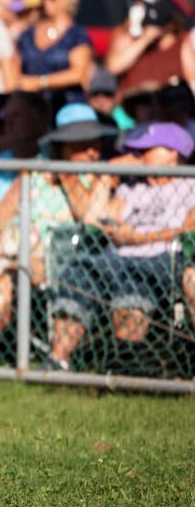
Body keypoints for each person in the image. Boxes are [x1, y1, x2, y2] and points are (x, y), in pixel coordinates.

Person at [0, 104, 118, 363]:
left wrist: (66, 175)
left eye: (95, 142)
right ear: (62, 145)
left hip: (55, 260)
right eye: (81, 143)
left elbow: (88, 217)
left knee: (11, 278)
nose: (92, 151)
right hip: (12, 247)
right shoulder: (35, 171)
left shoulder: (101, 177)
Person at [49, 123, 195, 368]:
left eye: (147, 150)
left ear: (173, 154)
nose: (139, 156)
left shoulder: (190, 185)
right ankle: (58, 359)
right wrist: (106, 174)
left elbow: (190, 229)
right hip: (116, 257)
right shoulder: (131, 187)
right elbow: (95, 218)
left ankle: (125, 361)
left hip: (163, 257)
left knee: (132, 282)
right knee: (79, 271)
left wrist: (139, 238)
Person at [13, 0, 93, 111]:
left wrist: (40, 82)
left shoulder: (76, 35)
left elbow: (79, 74)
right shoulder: (27, 34)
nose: (46, 1)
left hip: (67, 106)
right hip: (32, 107)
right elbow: (16, 68)